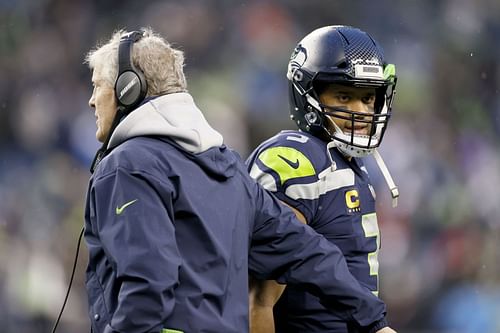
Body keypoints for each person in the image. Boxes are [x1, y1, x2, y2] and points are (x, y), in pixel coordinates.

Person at [83, 27, 397, 333]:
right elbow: (302, 254)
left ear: (129, 87)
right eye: (345, 96)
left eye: (97, 85)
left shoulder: (128, 164)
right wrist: (373, 321)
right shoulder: (224, 163)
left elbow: (145, 288)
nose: (92, 100)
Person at [246, 25, 399, 333]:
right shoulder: (296, 160)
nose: (361, 111)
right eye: (344, 96)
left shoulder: (349, 164)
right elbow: (257, 302)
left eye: (368, 98)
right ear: (309, 95)